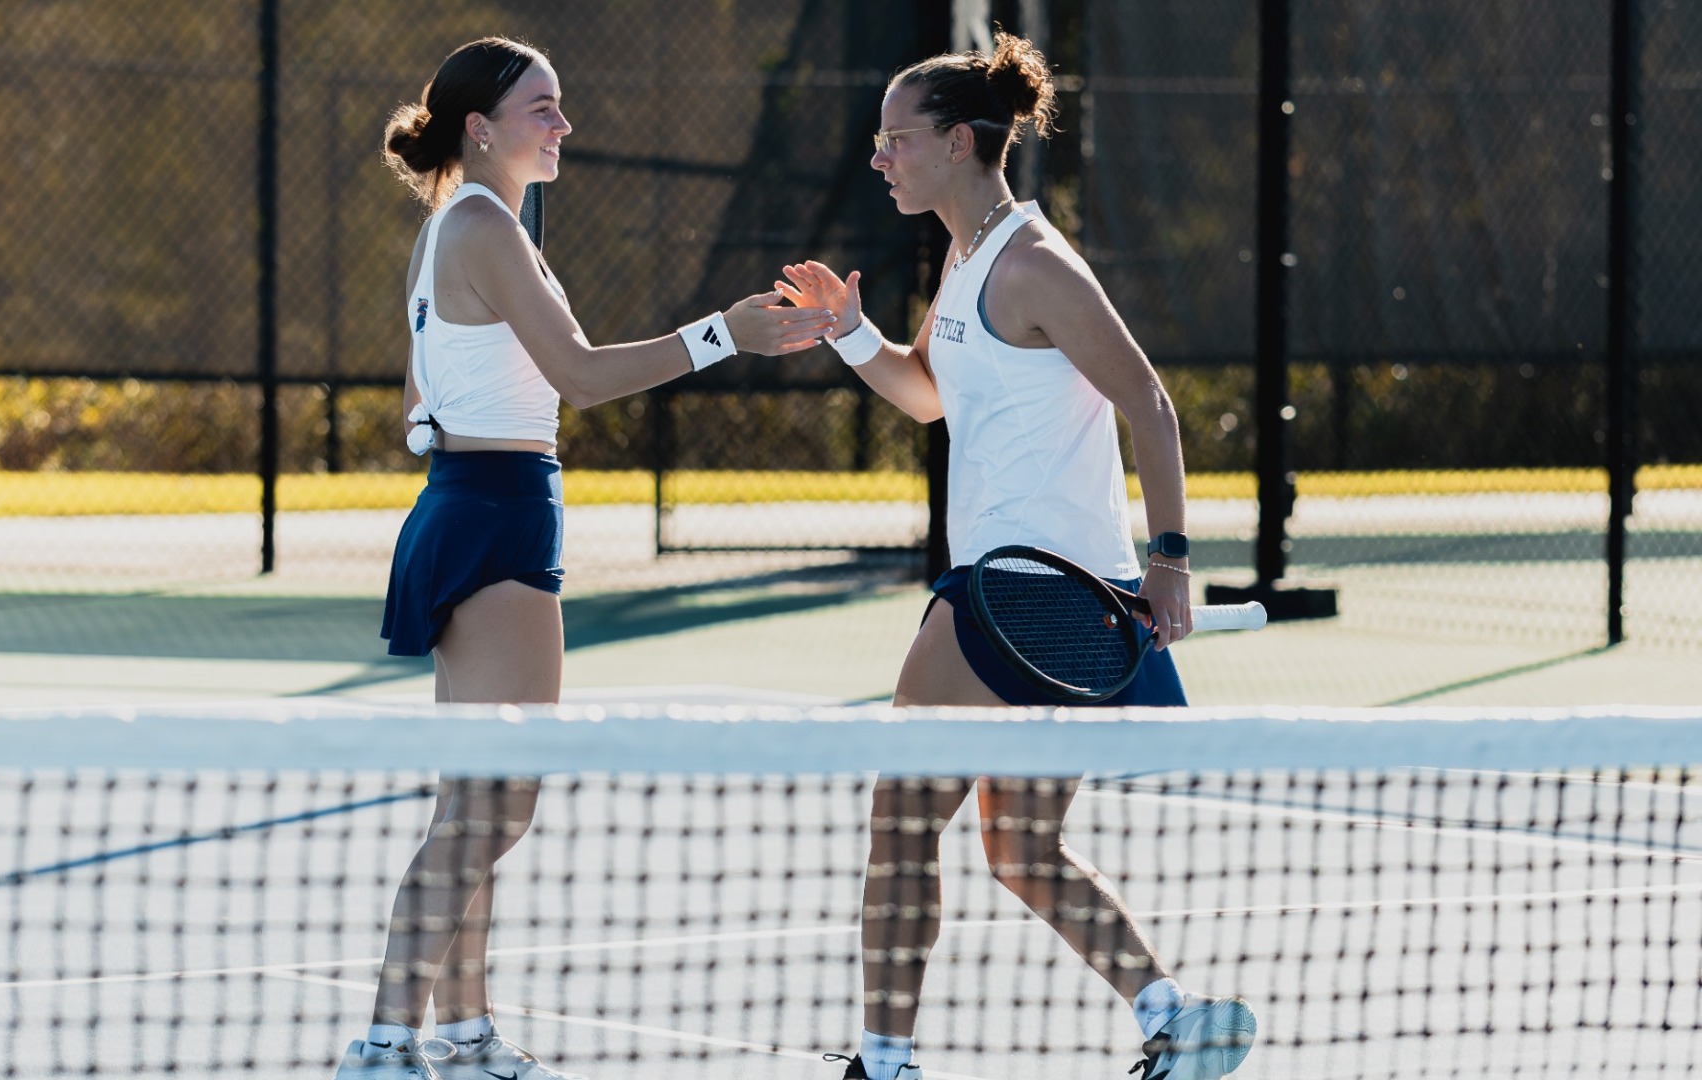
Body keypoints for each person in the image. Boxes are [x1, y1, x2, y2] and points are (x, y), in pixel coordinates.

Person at [334, 36, 834, 1080]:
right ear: (482, 127)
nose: (563, 126)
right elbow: (581, 376)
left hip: (475, 500)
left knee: (478, 797)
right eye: (543, 109)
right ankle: (384, 1042)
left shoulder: (455, 226)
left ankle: (462, 1034)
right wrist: (724, 334)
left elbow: (421, 401)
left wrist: (450, 437)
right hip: (498, 510)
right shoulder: (485, 226)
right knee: (497, 804)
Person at [774, 32, 1255, 1080]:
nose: (880, 158)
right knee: (1018, 848)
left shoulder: (1035, 264)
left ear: (955, 142)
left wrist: (1170, 560)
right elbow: (927, 393)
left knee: (901, 826)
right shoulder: (972, 256)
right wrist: (852, 331)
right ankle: (1174, 1014)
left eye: (896, 140)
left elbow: (1150, 401)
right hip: (1059, 608)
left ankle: (885, 1065)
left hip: (1015, 596)